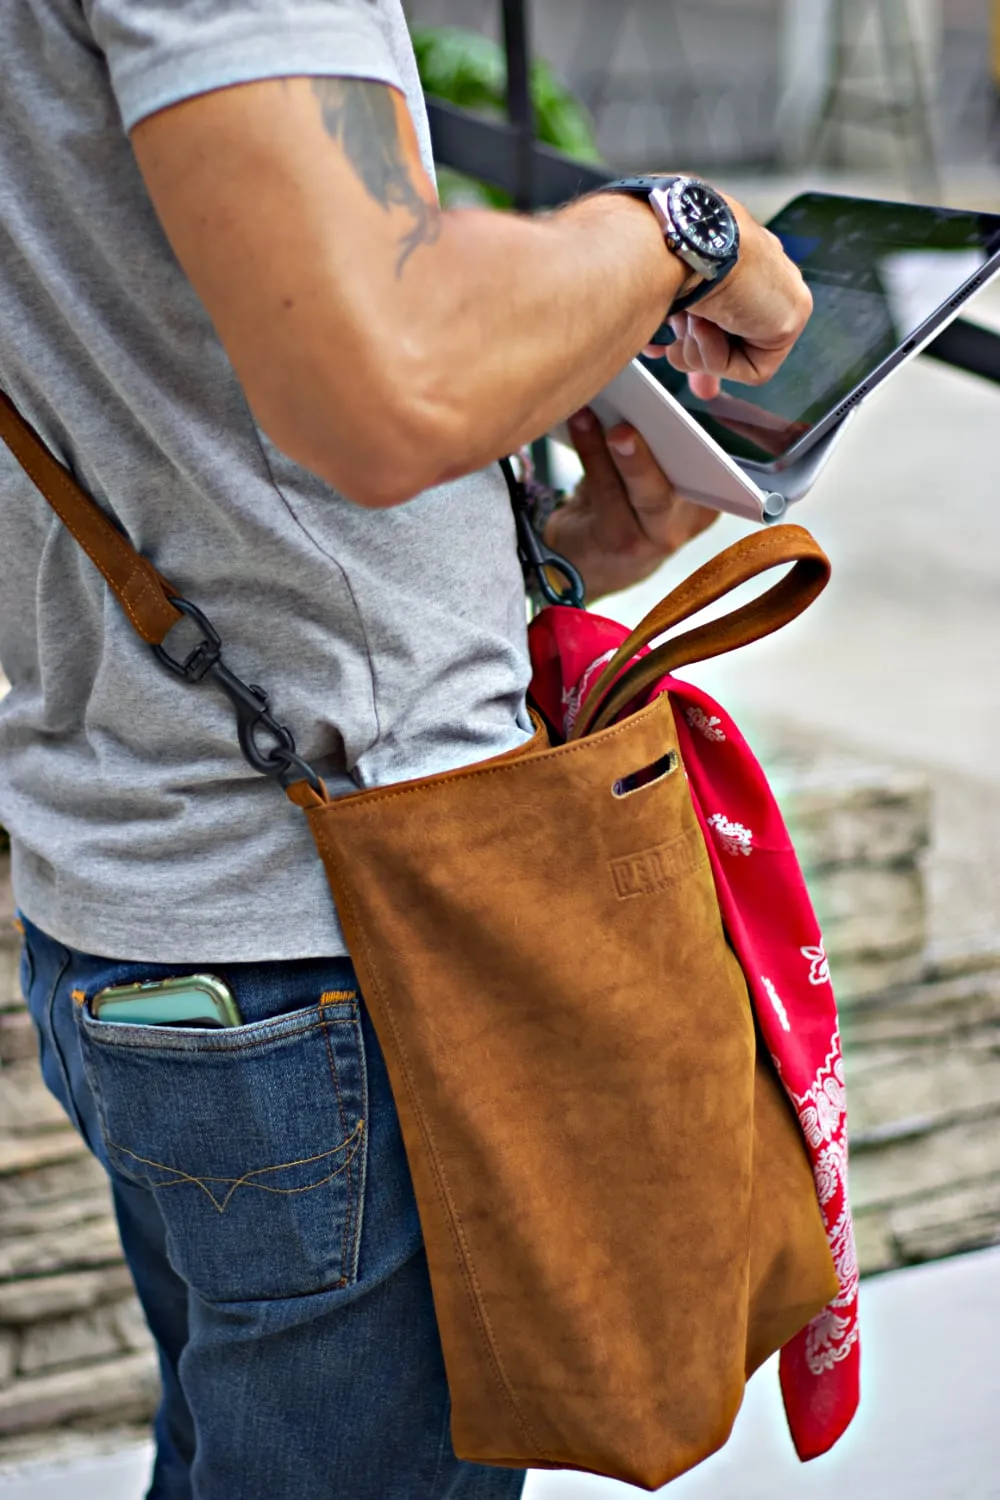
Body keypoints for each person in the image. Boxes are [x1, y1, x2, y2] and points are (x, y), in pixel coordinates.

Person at [0, 4, 812, 1497]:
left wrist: (550, 555)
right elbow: (387, 383)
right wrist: (679, 233)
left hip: (149, 885)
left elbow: (153, 365)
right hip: (344, 951)